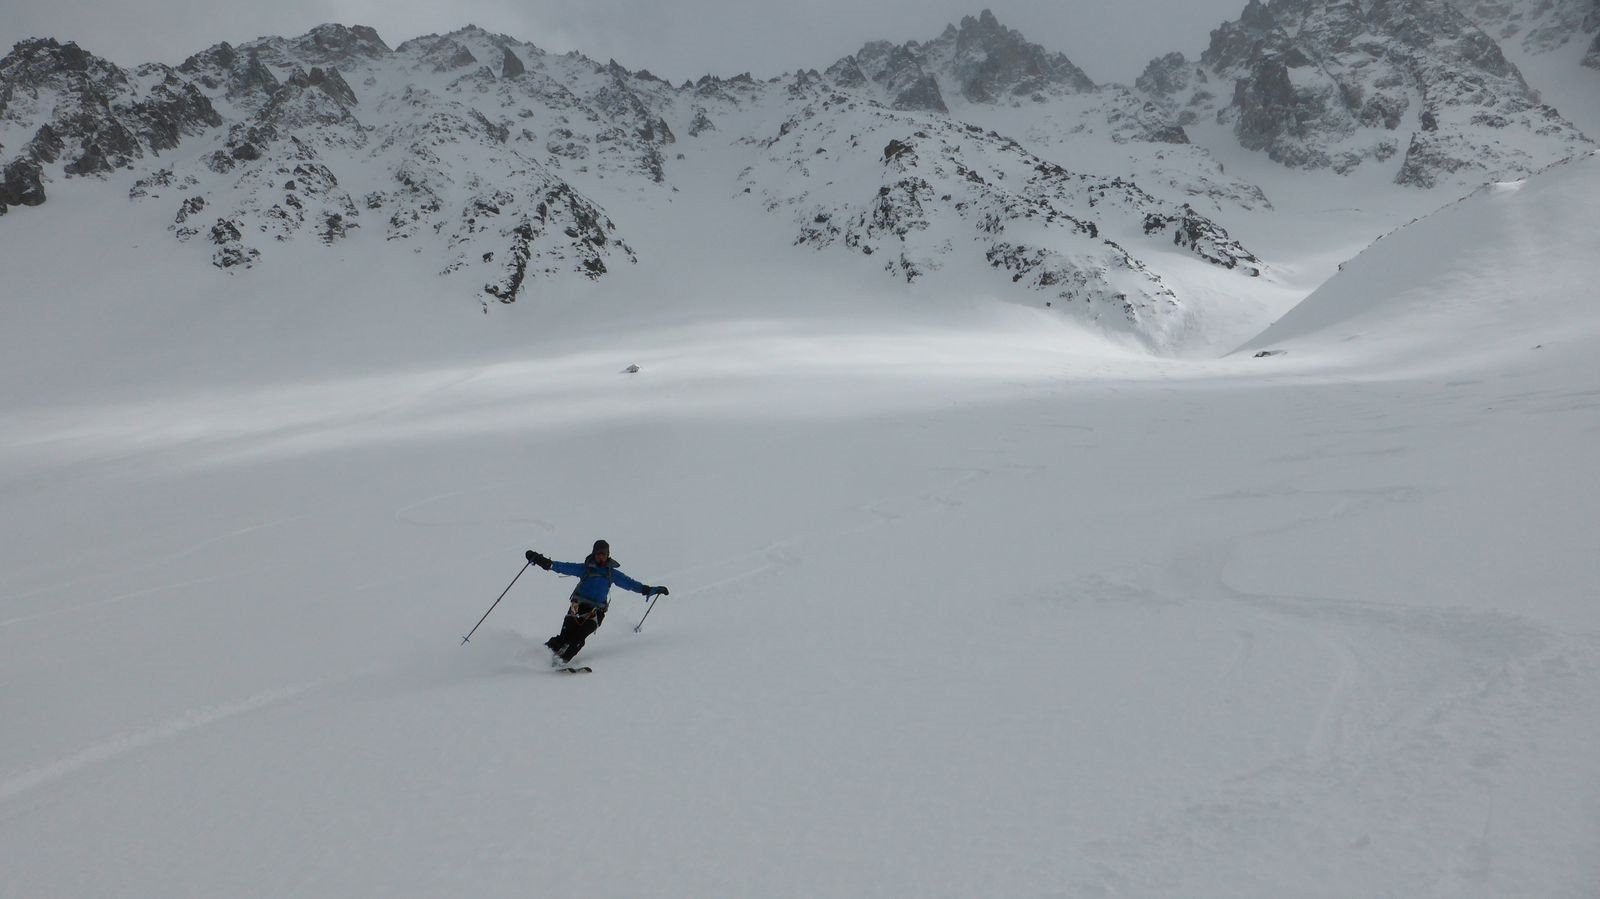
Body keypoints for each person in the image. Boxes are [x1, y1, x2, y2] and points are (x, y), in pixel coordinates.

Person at [524, 539, 667, 665]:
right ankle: (538, 654)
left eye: (603, 554)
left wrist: (649, 590)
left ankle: (560, 662)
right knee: (564, 637)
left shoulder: (612, 574)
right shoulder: (585, 569)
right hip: (577, 606)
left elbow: (630, 584)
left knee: (579, 637)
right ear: (593, 554)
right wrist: (543, 562)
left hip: (596, 611)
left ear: (607, 555)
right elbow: (563, 567)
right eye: (598, 553)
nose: (600, 557)